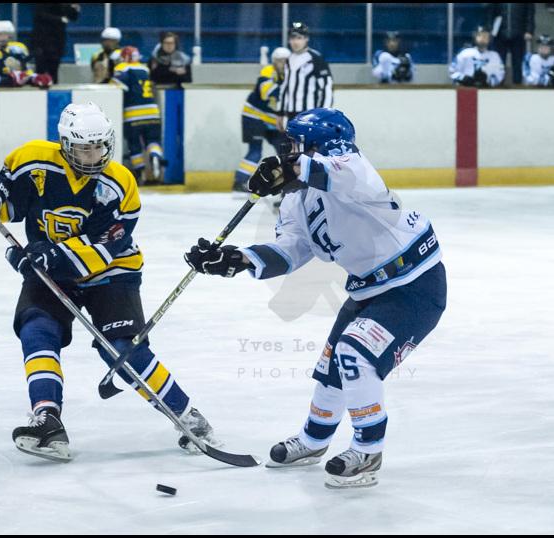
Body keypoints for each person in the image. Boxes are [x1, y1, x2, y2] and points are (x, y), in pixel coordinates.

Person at [184, 108, 447, 489]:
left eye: (293, 146)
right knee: (331, 368)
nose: (286, 151)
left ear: (316, 147)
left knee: (355, 355)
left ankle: (369, 449)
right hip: (369, 287)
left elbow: (335, 171)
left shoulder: (352, 167)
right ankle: (313, 440)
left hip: (415, 284)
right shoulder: (296, 202)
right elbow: (291, 250)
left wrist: (291, 170)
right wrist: (237, 259)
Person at [0, 102, 218, 462]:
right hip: (50, 268)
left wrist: (46, 259)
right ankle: (47, 419)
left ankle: (187, 415)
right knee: (37, 329)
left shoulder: (119, 183)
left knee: (123, 349)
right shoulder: (32, 160)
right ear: (65, 143)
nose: (93, 155)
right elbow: (10, 204)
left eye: (99, 146)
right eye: (83, 147)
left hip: (112, 272)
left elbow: (109, 245)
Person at [232, 47, 290, 193]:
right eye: (280, 60)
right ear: (274, 61)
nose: (282, 63)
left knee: (283, 150)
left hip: (271, 120)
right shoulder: (268, 70)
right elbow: (266, 93)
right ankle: (240, 181)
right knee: (255, 150)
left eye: (285, 60)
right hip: (254, 116)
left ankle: (285, 180)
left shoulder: (291, 75)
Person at [111, 46, 165, 184]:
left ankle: (140, 173)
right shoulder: (144, 68)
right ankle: (155, 155)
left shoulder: (122, 67)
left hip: (133, 113)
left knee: (134, 145)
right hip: (152, 112)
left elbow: (116, 84)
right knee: (153, 141)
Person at [277, 22, 333, 133]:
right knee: (292, 148)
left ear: (306, 39)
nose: (295, 42)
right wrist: (280, 113)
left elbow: (327, 88)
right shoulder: (289, 59)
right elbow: (284, 87)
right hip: (291, 114)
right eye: (292, 38)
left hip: (310, 114)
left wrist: (323, 114)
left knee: (308, 148)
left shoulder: (316, 59)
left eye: (299, 38)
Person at [0, 20, 52, 88]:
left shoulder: (19, 47)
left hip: (16, 83)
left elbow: (26, 70)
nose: (3, 37)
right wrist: (11, 79)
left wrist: (33, 77)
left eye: (6, 34)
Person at [30, 3, 81, 84]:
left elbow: (73, 17)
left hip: (57, 41)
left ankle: (54, 90)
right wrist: (59, 19)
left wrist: (75, 9)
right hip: (41, 40)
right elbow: (40, 14)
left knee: (54, 70)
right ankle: (38, 91)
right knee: (40, 70)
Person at [488, 3, 535, 84]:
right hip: (500, 34)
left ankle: (517, 85)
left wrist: (529, 30)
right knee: (499, 62)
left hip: (519, 33)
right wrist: (490, 28)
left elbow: (530, 14)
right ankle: (499, 84)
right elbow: (491, 13)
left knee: (518, 63)